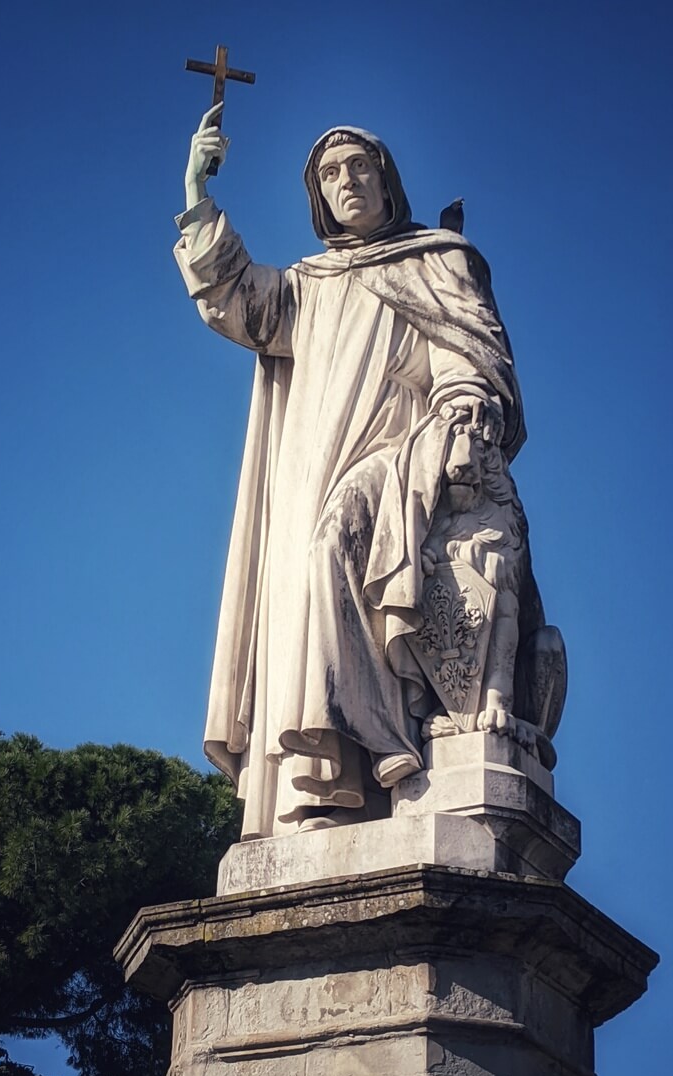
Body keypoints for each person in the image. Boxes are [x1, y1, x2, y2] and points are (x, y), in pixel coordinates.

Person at [175, 105, 527, 838]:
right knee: (307, 586)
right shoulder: (307, 285)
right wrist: (197, 195)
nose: (347, 181)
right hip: (305, 471)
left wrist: (463, 409)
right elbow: (234, 297)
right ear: (318, 196)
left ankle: (395, 752)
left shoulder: (437, 261)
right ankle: (327, 782)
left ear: (387, 179)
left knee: (338, 545)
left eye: (359, 166)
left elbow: (471, 361)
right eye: (330, 174)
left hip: (401, 461)